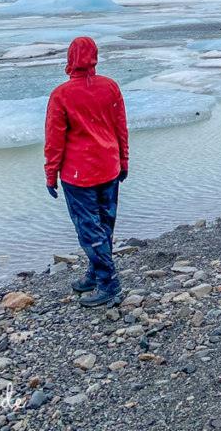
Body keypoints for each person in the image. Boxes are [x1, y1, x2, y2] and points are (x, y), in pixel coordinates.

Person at [44, 36, 129, 308]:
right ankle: (96, 273)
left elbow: (54, 139)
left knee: (90, 229)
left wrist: (50, 174)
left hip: (79, 175)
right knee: (103, 225)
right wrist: (124, 161)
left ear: (70, 59)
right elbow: (120, 128)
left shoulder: (62, 94)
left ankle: (109, 283)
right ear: (94, 57)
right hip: (109, 167)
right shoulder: (110, 87)